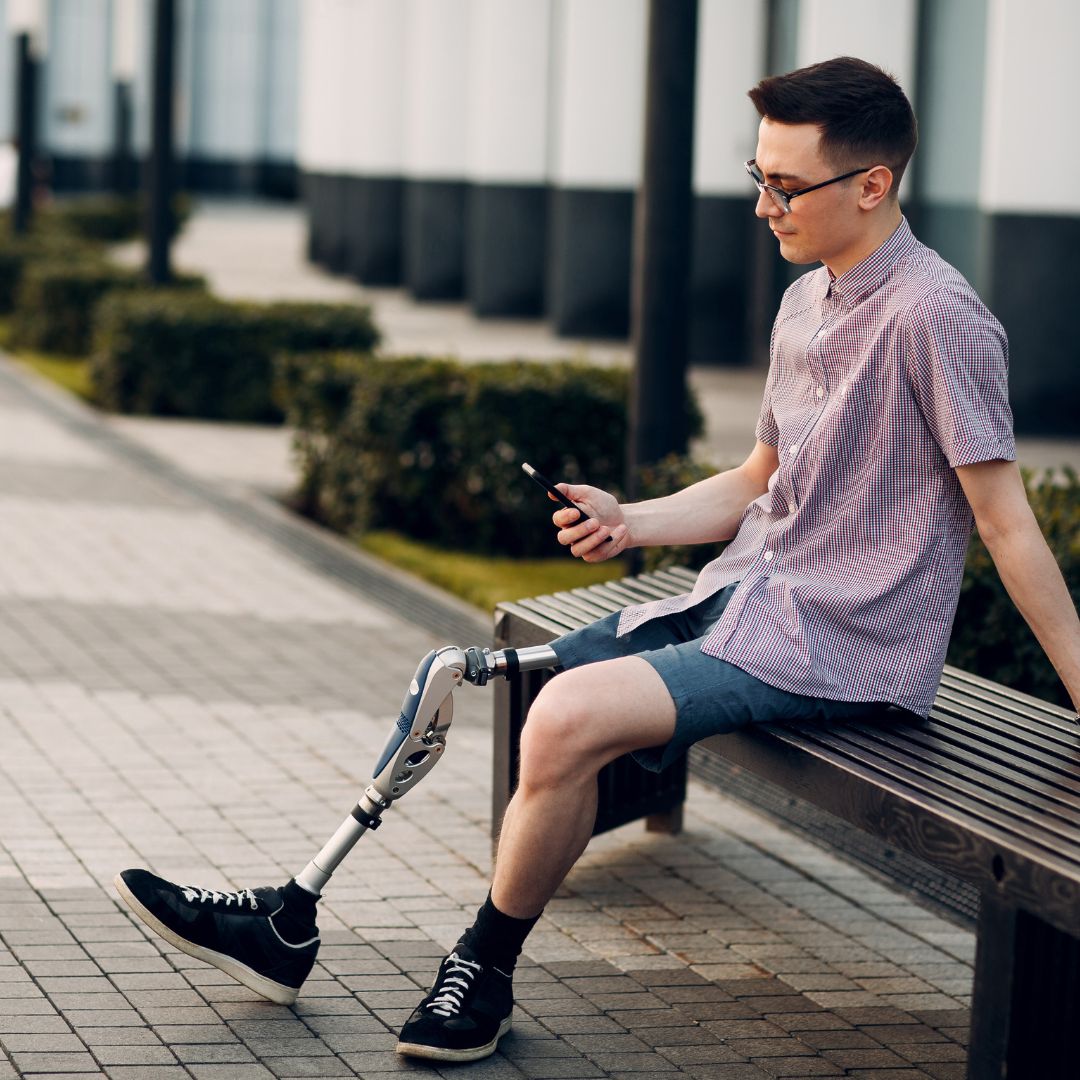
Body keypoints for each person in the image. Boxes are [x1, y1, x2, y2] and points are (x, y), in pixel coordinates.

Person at [115, 56, 1080, 1064]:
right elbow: (759, 477)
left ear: (873, 184)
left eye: (784, 186)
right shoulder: (807, 303)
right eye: (757, 176)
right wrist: (630, 521)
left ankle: (483, 968)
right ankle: (290, 913)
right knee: (455, 673)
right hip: (747, 599)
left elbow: (1007, 523)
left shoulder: (937, 314)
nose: (762, 205)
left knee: (568, 717)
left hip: (843, 643)